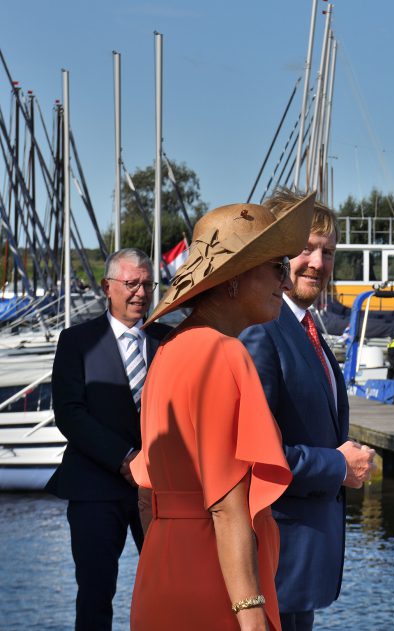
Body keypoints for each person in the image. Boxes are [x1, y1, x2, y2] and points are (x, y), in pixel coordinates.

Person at [128, 195, 316, 631]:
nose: (285, 282)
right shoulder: (223, 353)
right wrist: (251, 616)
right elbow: (227, 507)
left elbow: (144, 494)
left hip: (161, 572)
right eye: (275, 267)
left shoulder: (169, 351)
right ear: (232, 279)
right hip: (217, 585)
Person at [240, 189, 376, 631]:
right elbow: (256, 455)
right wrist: (338, 465)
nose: (318, 262)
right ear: (276, 255)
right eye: (306, 249)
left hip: (302, 564)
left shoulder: (306, 326)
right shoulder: (262, 331)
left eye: (328, 252)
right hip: (278, 555)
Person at [47, 248, 172, 631]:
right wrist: (124, 458)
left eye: (147, 284)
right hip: (94, 490)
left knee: (169, 591)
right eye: (131, 283)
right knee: (95, 596)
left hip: (159, 491)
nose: (140, 292)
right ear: (107, 287)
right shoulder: (76, 341)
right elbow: (69, 413)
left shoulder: (169, 342)